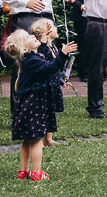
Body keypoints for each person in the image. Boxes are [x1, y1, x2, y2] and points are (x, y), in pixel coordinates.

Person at [3, 28, 76, 182]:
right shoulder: (32, 61)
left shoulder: (28, 59)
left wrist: (43, 37)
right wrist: (63, 53)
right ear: (24, 48)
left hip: (25, 104)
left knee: (27, 140)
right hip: (34, 105)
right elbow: (50, 67)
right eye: (29, 36)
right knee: (37, 140)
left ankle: (23, 171)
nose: (32, 36)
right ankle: (37, 172)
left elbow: (43, 55)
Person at [29, 18, 64, 146]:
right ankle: (40, 136)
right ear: (46, 32)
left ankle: (48, 138)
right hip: (44, 86)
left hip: (53, 84)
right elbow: (43, 57)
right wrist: (44, 36)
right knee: (44, 111)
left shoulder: (53, 46)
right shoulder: (42, 47)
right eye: (53, 27)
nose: (56, 28)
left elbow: (54, 66)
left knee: (51, 112)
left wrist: (61, 81)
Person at [67, 0, 90, 81]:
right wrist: (80, 6)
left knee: (95, 43)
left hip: (94, 14)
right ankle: (83, 72)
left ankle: (97, 71)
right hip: (80, 15)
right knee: (84, 43)